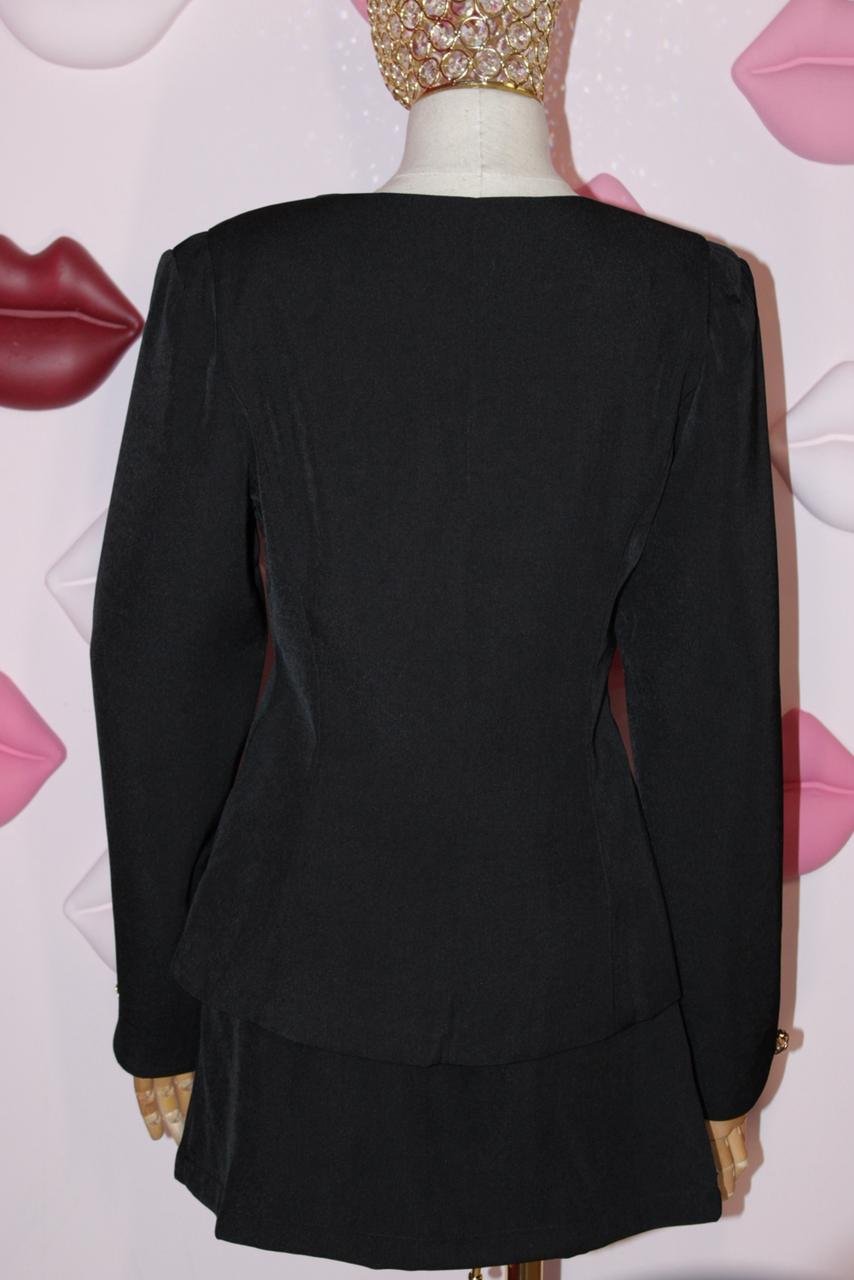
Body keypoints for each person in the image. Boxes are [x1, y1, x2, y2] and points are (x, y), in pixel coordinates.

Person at [90, 0, 786, 1268]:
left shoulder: (236, 278)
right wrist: (723, 1048)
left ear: (386, 33)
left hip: (308, 957)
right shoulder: (683, 297)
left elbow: (160, 667)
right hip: (571, 962)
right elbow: (712, 700)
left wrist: (159, 1013)